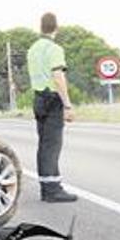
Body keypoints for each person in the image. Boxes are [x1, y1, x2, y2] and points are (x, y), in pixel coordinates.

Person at [26, 12, 78, 202]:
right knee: (53, 145)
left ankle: (47, 186)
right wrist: (67, 105)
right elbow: (58, 77)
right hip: (52, 99)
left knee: (44, 144)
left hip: (38, 99)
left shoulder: (32, 49)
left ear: (41, 27)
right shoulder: (54, 49)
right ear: (56, 27)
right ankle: (52, 191)